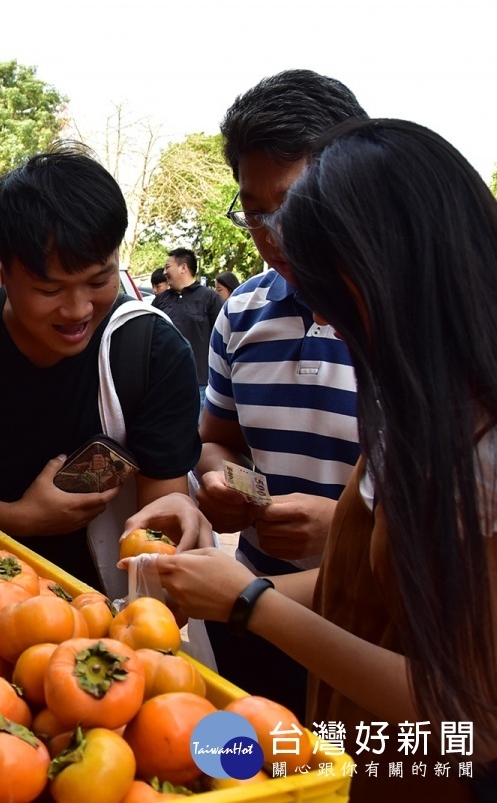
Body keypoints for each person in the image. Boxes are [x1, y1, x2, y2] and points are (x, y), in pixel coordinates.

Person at [132, 118, 497, 800]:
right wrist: (203, 586)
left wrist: (252, 603)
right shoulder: (413, 401)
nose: (327, 323)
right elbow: (368, 593)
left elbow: (473, 717)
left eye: (332, 295)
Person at [0, 143, 201, 596]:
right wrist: (20, 519)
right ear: (0, 265)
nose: (79, 309)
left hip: (99, 611)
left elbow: (163, 513)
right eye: (50, 288)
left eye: (99, 280)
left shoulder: (150, 351)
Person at [193, 69, 367, 717]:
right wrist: (225, 486)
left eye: (290, 205)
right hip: (257, 612)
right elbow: (218, 441)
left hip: (373, 622)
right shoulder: (242, 312)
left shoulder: (408, 324)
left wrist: (348, 530)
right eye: (253, 210)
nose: (270, 233)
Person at [151, 247, 223, 403]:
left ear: (183, 267)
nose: (164, 272)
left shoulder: (209, 298)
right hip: (164, 383)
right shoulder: (161, 300)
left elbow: (222, 340)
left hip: (199, 384)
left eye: (167, 267)